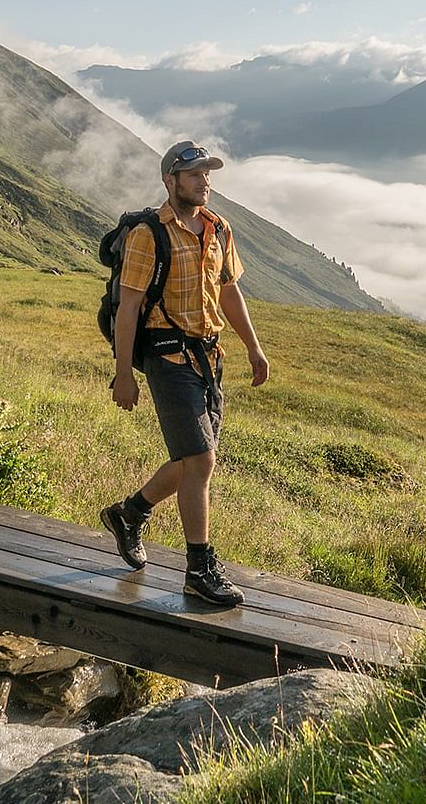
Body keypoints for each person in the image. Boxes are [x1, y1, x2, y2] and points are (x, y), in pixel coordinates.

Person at [100, 141, 269, 606]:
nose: (204, 181)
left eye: (207, 174)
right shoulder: (148, 235)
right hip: (166, 356)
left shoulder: (217, 229)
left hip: (209, 358)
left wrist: (253, 348)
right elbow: (129, 307)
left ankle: (130, 513)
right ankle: (199, 568)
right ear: (170, 180)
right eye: (193, 174)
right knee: (202, 461)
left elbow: (229, 291)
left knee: (192, 458)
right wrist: (124, 373)